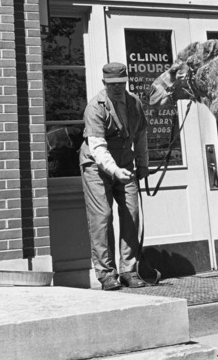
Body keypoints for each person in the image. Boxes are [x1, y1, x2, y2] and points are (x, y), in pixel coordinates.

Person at [79, 62, 150, 290]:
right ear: (104, 84)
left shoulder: (135, 104)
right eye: (112, 85)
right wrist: (115, 170)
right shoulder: (95, 108)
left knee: (132, 212)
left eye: (121, 83)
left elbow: (140, 137)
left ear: (126, 82)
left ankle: (128, 270)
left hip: (125, 161)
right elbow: (98, 147)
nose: (117, 88)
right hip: (96, 165)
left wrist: (143, 165)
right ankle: (105, 273)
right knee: (103, 215)